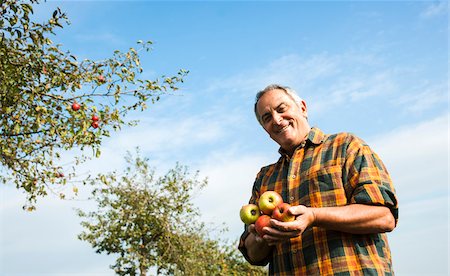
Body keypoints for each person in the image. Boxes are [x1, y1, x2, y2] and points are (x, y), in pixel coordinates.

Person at [238, 84, 399, 275]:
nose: (277, 120)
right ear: (265, 129)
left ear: (303, 108)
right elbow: (253, 254)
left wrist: (314, 217)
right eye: (267, 118)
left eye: (282, 109)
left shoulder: (346, 147)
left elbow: (383, 217)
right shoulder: (265, 178)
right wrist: (262, 236)